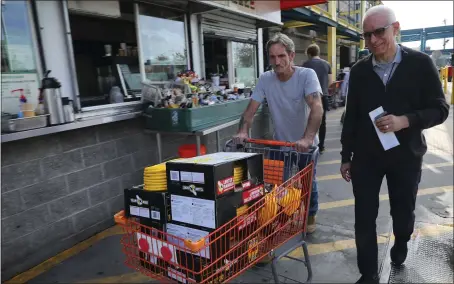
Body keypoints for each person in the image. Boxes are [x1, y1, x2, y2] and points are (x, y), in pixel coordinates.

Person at [340, 5, 449, 283]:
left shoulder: (421, 64)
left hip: (406, 156)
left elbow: (440, 109)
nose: (373, 40)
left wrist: (406, 120)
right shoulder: (360, 71)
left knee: (403, 213)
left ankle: (401, 243)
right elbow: (350, 116)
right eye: (367, 35)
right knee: (364, 216)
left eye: (379, 32)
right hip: (367, 157)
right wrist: (345, 155)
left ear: (396, 29)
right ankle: (368, 274)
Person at [233, 33, 324, 233]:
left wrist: (307, 138)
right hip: (280, 144)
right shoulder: (266, 79)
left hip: (304, 145)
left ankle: (310, 214)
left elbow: (317, 107)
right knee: (274, 186)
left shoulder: (306, 76)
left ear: (291, 56)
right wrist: (242, 131)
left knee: (308, 183)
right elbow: (251, 109)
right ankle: (278, 215)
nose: (277, 61)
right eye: (272, 57)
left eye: (281, 56)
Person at [302, 43, 332, 154]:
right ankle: (322, 146)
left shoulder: (305, 64)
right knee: (322, 122)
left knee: (308, 120)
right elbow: (330, 82)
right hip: (323, 97)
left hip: (308, 98)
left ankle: (308, 144)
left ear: (309, 54)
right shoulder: (327, 64)